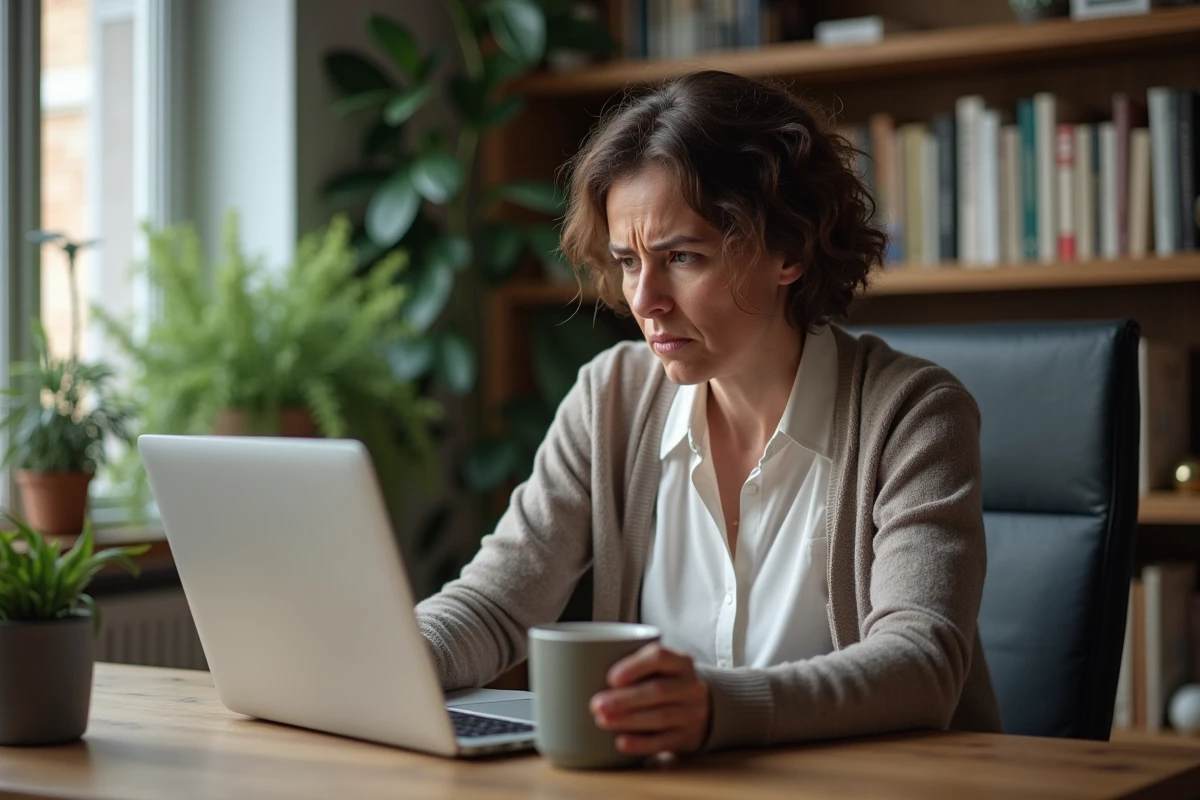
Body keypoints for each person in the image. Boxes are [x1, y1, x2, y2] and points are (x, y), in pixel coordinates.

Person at [416, 69, 1002, 756]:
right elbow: (496, 604)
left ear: (789, 248)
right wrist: (390, 659)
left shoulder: (912, 414)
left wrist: (716, 707)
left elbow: (921, 666)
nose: (646, 299)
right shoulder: (611, 398)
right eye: (628, 262)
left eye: (682, 258)